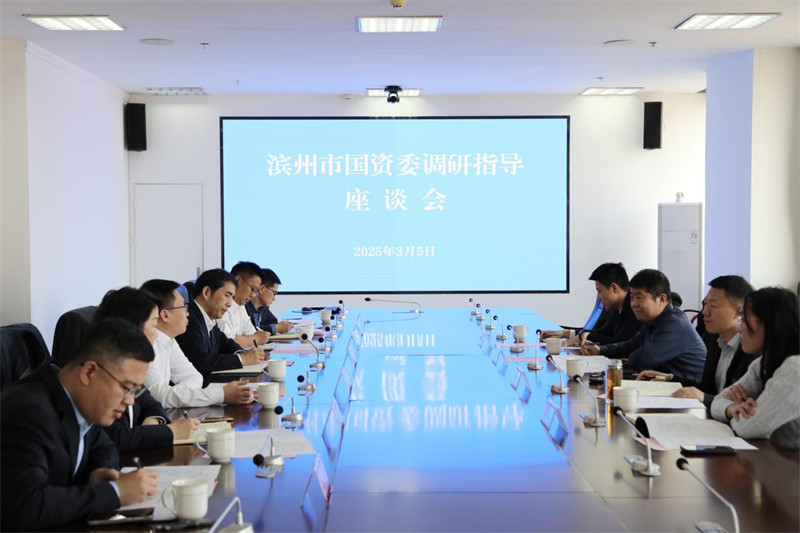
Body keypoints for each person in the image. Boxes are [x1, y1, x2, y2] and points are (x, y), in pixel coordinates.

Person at [1, 319, 159, 531]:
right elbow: (25, 506)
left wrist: (100, 471)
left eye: (135, 391)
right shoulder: (28, 412)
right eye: (127, 388)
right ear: (89, 372)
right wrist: (115, 492)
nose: (130, 401)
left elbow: (104, 446)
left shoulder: (76, 399)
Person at [93, 287, 199, 450]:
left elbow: (151, 404)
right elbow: (113, 437)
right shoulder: (102, 372)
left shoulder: (130, 365)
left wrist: (153, 422)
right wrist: (169, 432)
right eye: (154, 325)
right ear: (132, 327)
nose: (157, 334)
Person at [638, 275, 758, 407]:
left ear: (738, 312)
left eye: (713, 306)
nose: (705, 312)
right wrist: (671, 378)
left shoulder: (752, 350)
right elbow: (706, 388)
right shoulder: (714, 338)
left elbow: (742, 405)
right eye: (705, 304)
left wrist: (706, 398)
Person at [140, 279, 254, 407]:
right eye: (184, 306)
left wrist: (178, 395)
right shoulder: (143, 346)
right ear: (165, 315)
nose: (187, 313)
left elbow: (194, 376)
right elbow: (161, 397)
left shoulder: (169, 340)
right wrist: (221, 395)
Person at [711, 287, 800, 449]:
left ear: (771, 323)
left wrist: (739, 413)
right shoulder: (762, 363)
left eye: (745, 321)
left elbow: (745, 427)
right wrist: (733, 408)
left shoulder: (794, 368)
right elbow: (717, 402)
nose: (739, 328)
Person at [581, 268, 706, 383]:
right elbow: (631, 345)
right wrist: (600, 349)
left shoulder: (674, 324)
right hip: (670, 384)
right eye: (632, 297)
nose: (634, 304)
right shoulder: (655, 319)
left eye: (639, 297)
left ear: (661, 299)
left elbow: (643, 359)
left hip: (692, 390)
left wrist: (630, 359)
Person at [176, 268, 266, 376]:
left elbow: (225, 343)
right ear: (207, 292)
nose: (229, 303)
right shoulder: (188, 319)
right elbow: (199, 361)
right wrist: (242, 359)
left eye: (232, 297)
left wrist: (243, 353)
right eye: (227, 295)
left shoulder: (209, 318)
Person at [540, 263, 641, 346]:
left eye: (599, 291)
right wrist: (565, 333)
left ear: (614, 288)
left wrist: (583, 336)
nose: (599, 297)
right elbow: (604, 332)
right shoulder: (619, 307)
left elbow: (618, 343)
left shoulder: (633, 309)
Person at [216, 261, 272, 348]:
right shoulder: (220, 304)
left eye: (255, 291)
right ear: (238, 280)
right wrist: (256, 338)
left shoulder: (241, 306)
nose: (253, 295)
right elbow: (228, 341)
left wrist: (256, 337)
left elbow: (251, 333)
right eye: (252, 289)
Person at [246, 268, 294, 334]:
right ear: (262, 289)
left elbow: (274, 322)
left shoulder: (262, 308)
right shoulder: (244, 306)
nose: (274, 298)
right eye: (274, 293)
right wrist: (276, 328)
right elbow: (250, 333)